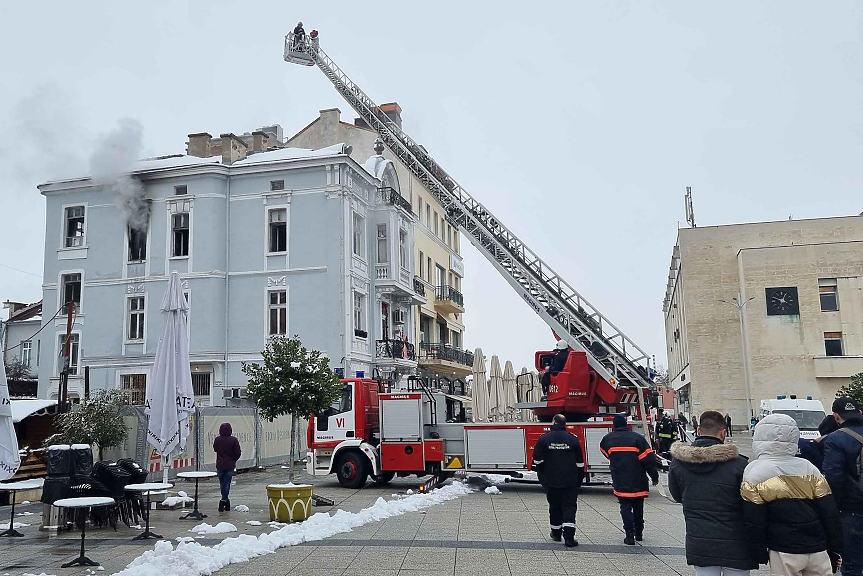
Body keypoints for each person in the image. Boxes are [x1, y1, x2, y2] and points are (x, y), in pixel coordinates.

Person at [742, 414, 843, 575]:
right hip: (816, 545)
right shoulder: (810, 469)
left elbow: (754, 520)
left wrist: (758, 552)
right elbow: (829, 512)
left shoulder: (754, 472)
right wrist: (835, 548)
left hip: (783, 548)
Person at [668, 410, 757, 575]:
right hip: (737, 543)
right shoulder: (739, 464)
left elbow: (677, 496)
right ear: (723, 433)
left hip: (700, 541)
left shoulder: (678, 463)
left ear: (698, 431)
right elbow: (749, 503)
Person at [600, 414, 659, 545]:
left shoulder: (608, 439)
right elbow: (649, 461)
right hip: (638, 479)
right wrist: (654, 477)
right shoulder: (637, 439)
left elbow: (604, 452)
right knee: (638, 507)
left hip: (620, 478)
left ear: (614, 426)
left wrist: (616, 459)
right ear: (626, 424)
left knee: (625, 506)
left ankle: (629, 534)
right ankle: (639, 532)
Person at [823, 396, 863, 575]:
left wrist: (834, 507)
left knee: (852, 563)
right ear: (859, 413)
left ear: (836, 416)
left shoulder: (835, 439)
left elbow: (833, 478)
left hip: (852, 509)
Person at [532, 413, 584, 548]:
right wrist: (579, 480)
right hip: (570, 480)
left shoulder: (544, 439)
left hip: (551, 480)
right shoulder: (573, 439)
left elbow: (537, 460)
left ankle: (556, 533)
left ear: (553, 422)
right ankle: (569, 538)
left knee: (554, 507)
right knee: (569, 507)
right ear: (564, 424)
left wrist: (543, 476)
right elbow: (580, 463)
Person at [213, 422, 242, 512]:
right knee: (227, 483)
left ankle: (224, 501)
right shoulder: (234, 440)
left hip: (220, 464)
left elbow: (215, 449)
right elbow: (238, 452)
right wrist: (233, 459)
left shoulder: (218, 439)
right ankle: (224, 501)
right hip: (230, 464)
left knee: (222, 483)